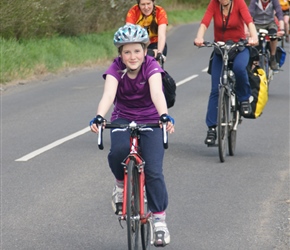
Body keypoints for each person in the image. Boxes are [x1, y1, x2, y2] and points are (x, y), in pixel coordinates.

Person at [89, 24, 174, 247]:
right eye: (127, 51)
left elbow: (157, 92)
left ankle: (159, 222)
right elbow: (108, 95)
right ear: (120, 54)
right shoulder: (116, 68)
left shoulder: (152, 66)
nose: (132, 56)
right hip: (123, 116)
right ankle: (120, 187)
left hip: (151, 118)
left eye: (137, 51)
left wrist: (164, 116)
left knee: (154, 170)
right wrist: (99, 116)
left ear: (145, 51)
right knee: (118, 152)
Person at [194, 0, 258, 146]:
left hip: (239, 47)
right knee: (215, 88)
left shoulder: (239, 3)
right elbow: (205, 23)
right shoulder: (214, 4)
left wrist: (253, 37)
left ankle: (244, 99)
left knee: (240, 69)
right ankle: (211, 129)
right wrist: (199, 37)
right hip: (220, 49)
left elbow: (249, 22)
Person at [249, 0, 285, 70]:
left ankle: (272, 57)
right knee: (256, 42)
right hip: (257, 24)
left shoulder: (274, 1)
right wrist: (247, 31)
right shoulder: (255, 1)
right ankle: (255, 61)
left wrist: (282, 29)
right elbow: (249, 15)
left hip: (270, 24)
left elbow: (279, 14)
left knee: (273, 36)